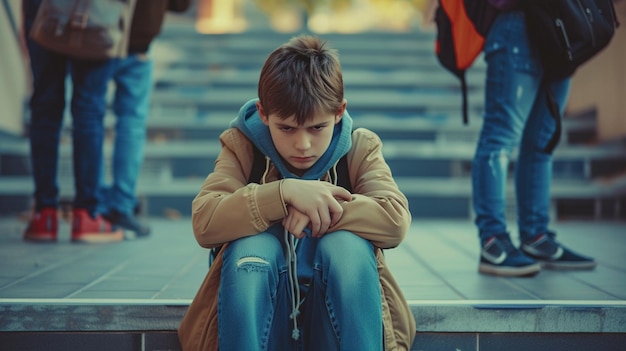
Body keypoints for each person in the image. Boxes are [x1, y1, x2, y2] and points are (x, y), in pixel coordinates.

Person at [188, 35, 413, 350]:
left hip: (334, 321)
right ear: (264, 115)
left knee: (348, 247)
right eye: (287, 129)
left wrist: (318, 203)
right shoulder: (243, 147)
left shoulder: (360, 146)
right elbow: (205, 221)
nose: (303, 145)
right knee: (251, 251)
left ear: (339, 112)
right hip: (266, 321)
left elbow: (395, 220)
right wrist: (283, 194)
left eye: (317, 128)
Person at [472, 2, 597, 277]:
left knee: (542, 144)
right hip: (517, 23)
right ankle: (493, 241)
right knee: (499, 140)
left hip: (561, 29)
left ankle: (536, 237)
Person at [22, 0, 123, 243]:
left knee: (45, 104)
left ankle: (43, 216)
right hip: (99, 10)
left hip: (44, 9)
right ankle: (86, 216)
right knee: (89, 109)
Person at [100, 0, 190, 238]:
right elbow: (181, 5)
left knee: (91, 119)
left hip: (99, 32)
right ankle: (121, 205)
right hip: (138, 39)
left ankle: (93, 205)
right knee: (131, 123)